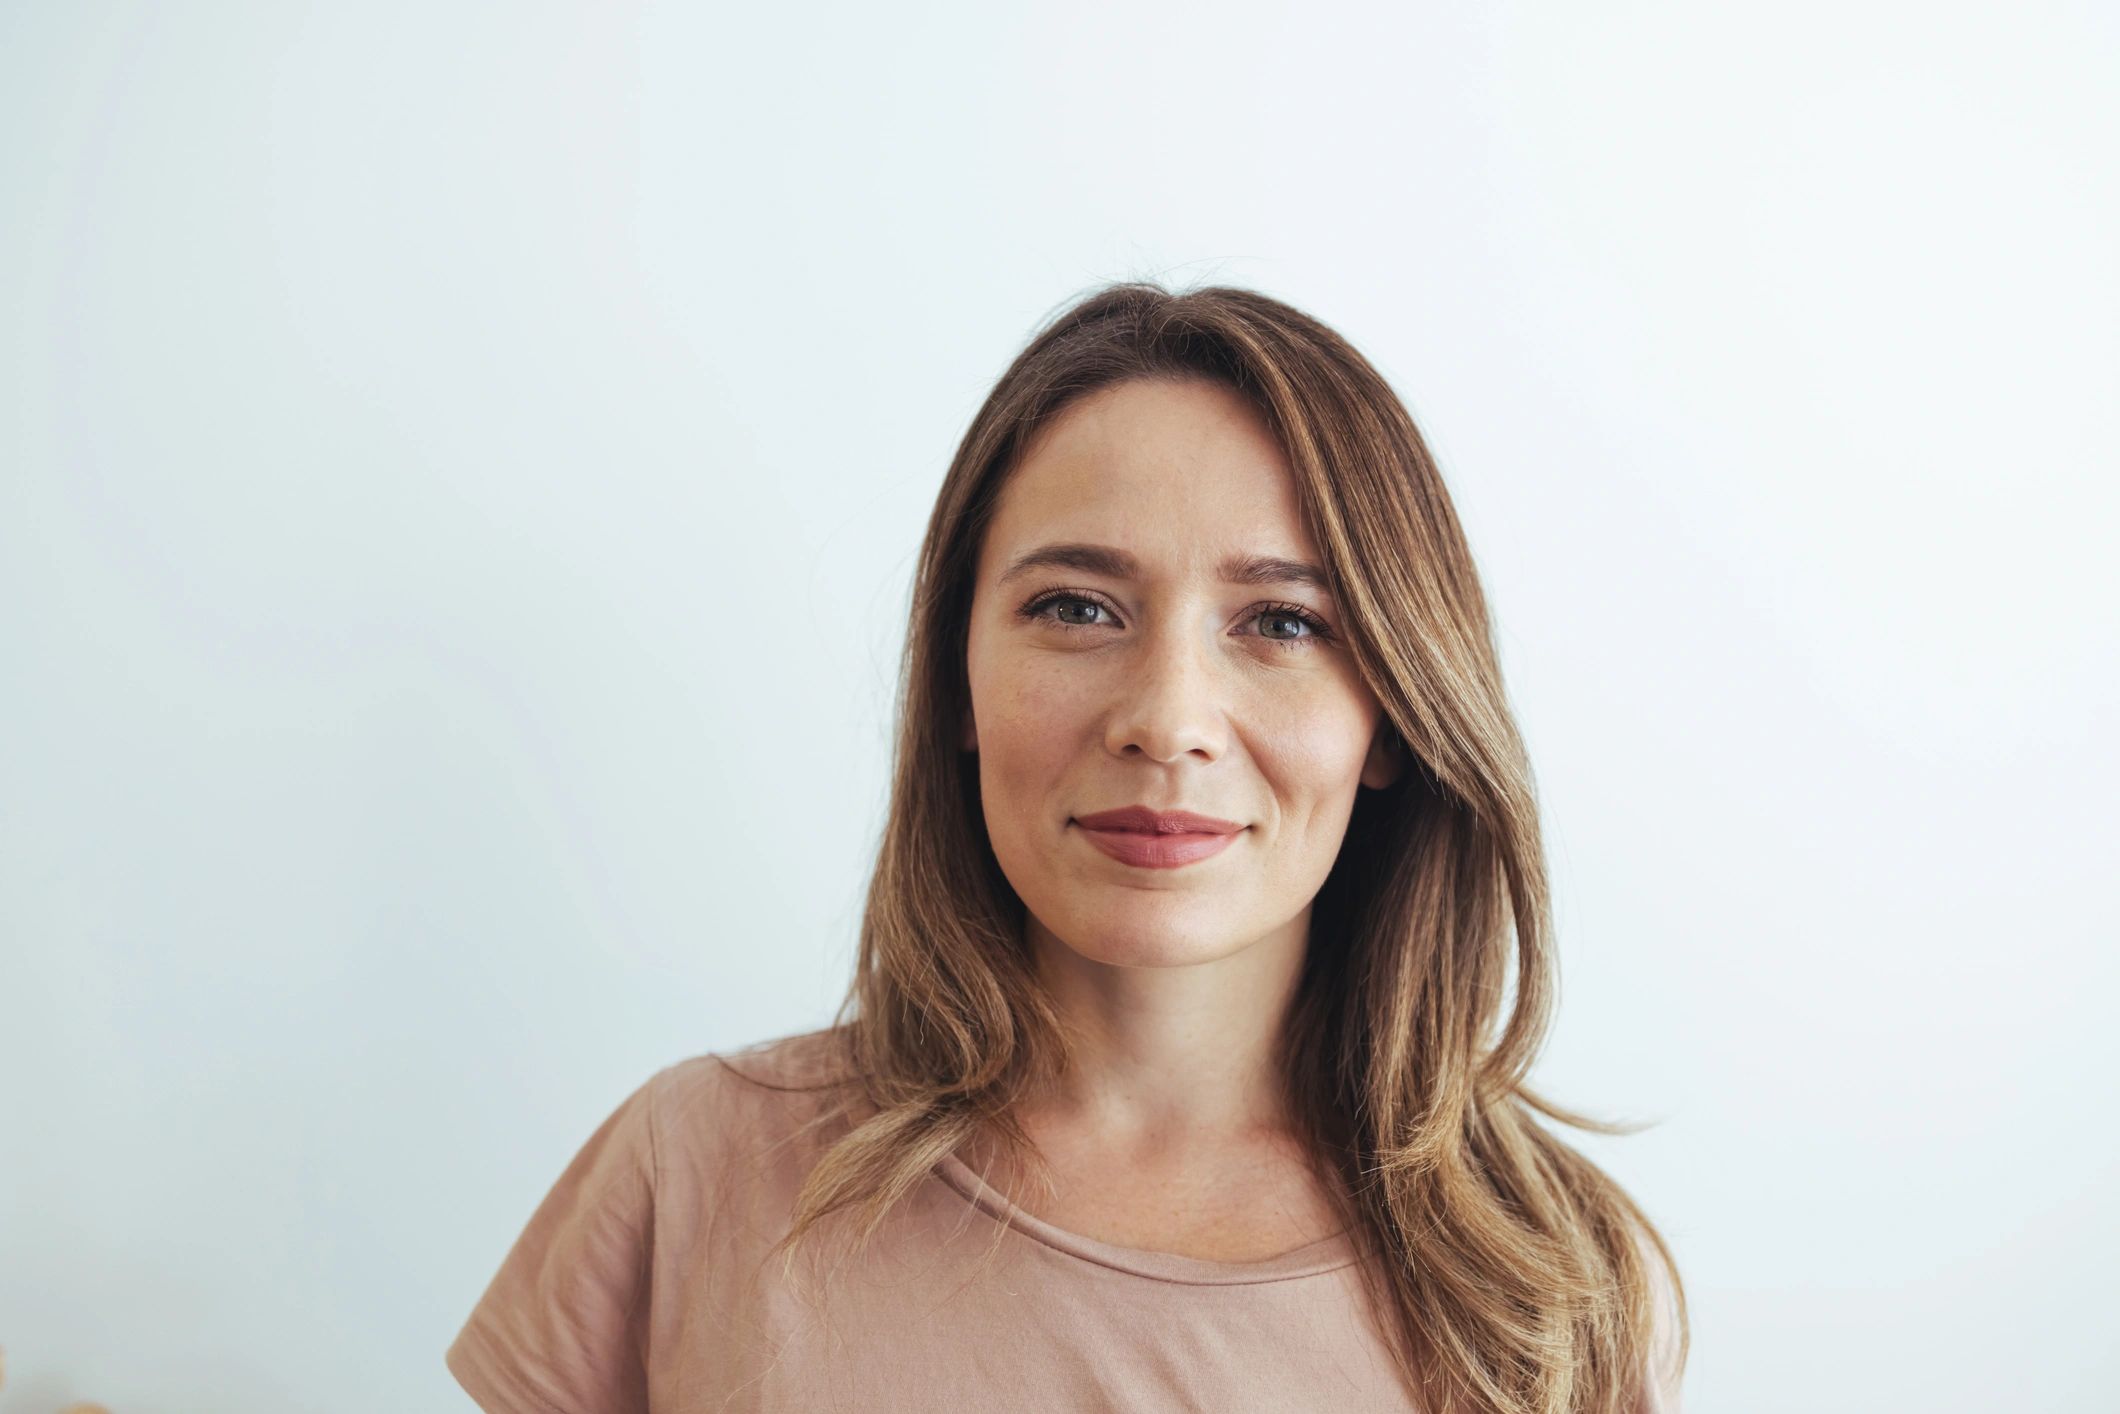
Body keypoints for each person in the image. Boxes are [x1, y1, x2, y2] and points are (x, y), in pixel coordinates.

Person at [444, 282, 1689, 1413]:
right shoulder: (695, 1173)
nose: (1166, 719)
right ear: (955, 681)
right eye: (1077, 608)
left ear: (1394, 715)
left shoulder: (1552, 1286)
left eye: (1280, 621)